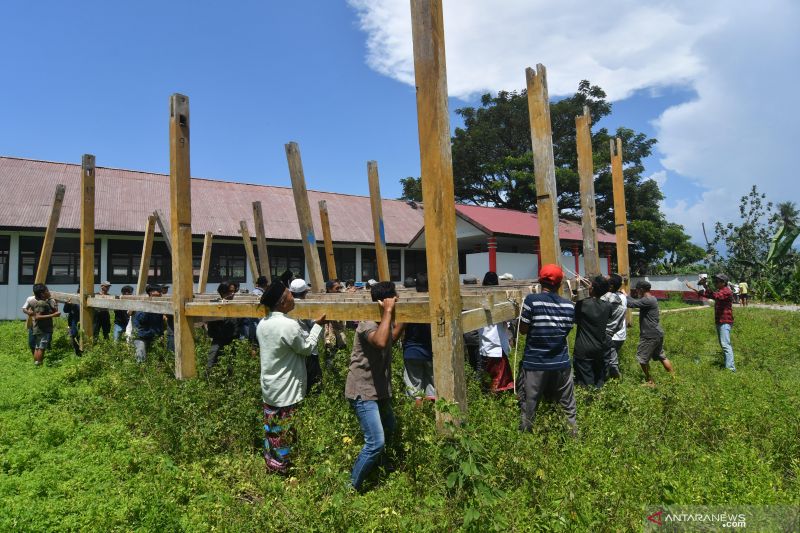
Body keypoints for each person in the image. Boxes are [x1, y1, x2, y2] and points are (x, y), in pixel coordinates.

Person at [257, 281, 325, 473]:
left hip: (271, 384)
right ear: (282, 302)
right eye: (289, 294)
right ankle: (284, 467)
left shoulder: (263, 323)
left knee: (272, 427)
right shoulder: (289, 325)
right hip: (286, 386)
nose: (292, 297)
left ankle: (273, 463)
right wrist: (318, 326)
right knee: (286, 429)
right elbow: (306, 349)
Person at [345, 281, 401, 492]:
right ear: (385, 302)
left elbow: (390, 338)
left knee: (391, 428)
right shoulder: (367, 323)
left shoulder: (383, 320)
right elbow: (379, 341)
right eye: (395, 299)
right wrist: (388, 311)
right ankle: (351, 487)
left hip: (379, 389)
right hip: (363, 390)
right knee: (375, 442)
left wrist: (404, 319)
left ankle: (383, 468)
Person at [518, 264, 577, 434]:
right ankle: (572, 438)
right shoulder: (569, 306)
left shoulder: (531, 301)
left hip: (535, 363)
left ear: (540, 281)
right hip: (561, 364)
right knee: (567, 405)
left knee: (530, 404)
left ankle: (526, 440)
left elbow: (523, 330)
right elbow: (566, 330)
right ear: (560, 283)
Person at [395, 273, 435, 401]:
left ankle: (415, 418)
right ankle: (431, 416)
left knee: (414, 392)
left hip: (412, 351)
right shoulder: (435, 302)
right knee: (433, 389)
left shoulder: (409, 303)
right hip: (432, 352)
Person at [627, 281, 674, 385]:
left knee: (642, 359)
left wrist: (624, 295)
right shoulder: (651, 298)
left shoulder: (647, 300)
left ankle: (650, 381)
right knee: (662, 357)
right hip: (657, 333)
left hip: (650, 335)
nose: (637, 292)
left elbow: (631, 303)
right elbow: (635, 302)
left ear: (641, 290)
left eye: (637, 290)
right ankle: (674, 379)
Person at [687, 273, 736, 372]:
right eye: (715, 281)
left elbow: (715, 296)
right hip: (720, 320)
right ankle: (728, 365)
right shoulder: (721, 290)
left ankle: (731, 369)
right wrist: (694, 288)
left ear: (723, 282)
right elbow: (709, 294)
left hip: (725, 321)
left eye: (717, 281)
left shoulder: (726, 291)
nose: (715, 283)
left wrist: (705, 285)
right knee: (724, 344)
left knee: (726, 345)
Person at [573, 275, 613, 389]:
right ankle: (600, 400)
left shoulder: (582, 304)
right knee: (598, 378)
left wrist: (577, 287)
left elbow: (575, 312)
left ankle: (589, 402)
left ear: (592, 288)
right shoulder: (608, 306)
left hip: (583, 349)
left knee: (585, 383)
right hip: (599, 348)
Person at [478, 271, 514, 392]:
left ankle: (488, 398)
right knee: (498, 380)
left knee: (488, 376)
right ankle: (494, 401)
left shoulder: (478, 300)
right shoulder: (499, 300)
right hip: (497, 346)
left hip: (484, 344)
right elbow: (509, 319)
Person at [289, 278, 323, 392]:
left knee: (297, 378)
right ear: (305, 293)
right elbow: (314, 323)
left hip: (293, 347)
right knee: (314, 380)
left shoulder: (287, 305)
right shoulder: (305, 306)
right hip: (308, 345)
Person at [206, 282, 239, 369]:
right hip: (218, 339)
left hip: (231, 339)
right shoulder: (216, 304)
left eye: (234, 291)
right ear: (223, 292)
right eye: (230, 291)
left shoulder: (235, 305)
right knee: (211, 362)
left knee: (231, 365)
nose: (233, 293)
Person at [600, 274, 627, 379]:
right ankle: (613, 380)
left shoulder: (608, 298)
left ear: (610, 286)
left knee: (608, 361)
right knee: (612, 357)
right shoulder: (623, 297)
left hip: (611, 335)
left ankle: (610, 380)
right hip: (620, 334)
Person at [132, 284, 165, 363]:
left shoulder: (159, 305)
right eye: (159, 292)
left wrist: (161, 335)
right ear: (151, 293)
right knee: (141, 358)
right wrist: (148, 308)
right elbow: (141, 319)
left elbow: (159, 322)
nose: (161, 294)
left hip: (154, 336)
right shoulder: (143, 303)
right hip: (141, 336)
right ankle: (140, 374)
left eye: (161, 292)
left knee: (158, 359)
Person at [31, 283, 60, 366]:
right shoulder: (41, 303)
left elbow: (55, 312)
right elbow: (37, 317)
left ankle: (36, 364)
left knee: (38, 346)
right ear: (42, 294)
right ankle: (39, 364)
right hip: (42, 329)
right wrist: (52, 315)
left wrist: (56, 303)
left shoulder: (45, 302)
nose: (49, 292)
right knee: (41, 347)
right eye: (47, 291)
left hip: (40, 329)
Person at [324, 279, 347, 356]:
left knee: (342, 345)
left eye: (339, 288)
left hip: (339, 326)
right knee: (330, 346)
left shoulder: (341, 297)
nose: (339, 290)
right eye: (336, 288)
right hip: (329, 326)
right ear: (329, 289)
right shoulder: (323, 299)